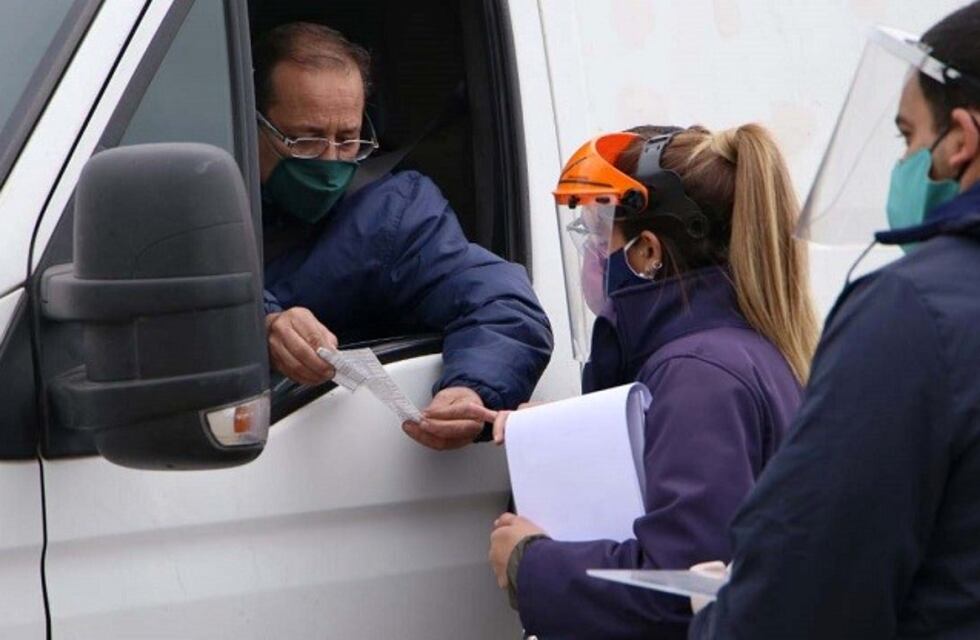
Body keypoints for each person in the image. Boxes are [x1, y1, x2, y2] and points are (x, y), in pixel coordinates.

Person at [688, 3, 980, 638]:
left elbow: (801, 598)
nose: (903, 161)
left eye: (907, 136)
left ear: (962, 140)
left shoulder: (912, 313)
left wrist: (720, 613)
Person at [487, 123, 820, 639]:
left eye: (600, 235)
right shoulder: (733, 352)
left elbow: (687, 587)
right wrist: (560, 440)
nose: (591, 251)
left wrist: (530, 564)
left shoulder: (698, 374)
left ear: (646, 252)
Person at [253, 23, 553, 449]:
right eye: (306, 140)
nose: (331, 161)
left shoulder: (392, 214)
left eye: (348, 140)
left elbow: (505, 306)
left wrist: (470, 389)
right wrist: (261, 322)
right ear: (252, 125)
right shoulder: (194, 196)